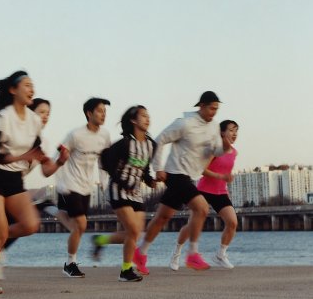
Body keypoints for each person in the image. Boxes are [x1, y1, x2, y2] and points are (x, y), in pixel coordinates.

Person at [0, 72, 68, 295]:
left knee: (30, 225)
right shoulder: (2, 117)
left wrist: (58, 160)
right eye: (26, 85)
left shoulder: (33, 122)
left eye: (33, 85)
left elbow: (40, 158)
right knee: (1, 232)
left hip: (14, 180)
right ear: (13, 90)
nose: (32, 89)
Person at [135, 91, 231, 273]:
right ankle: (192, 254)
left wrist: (224, 147)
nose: (214, 113)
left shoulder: (214, 127)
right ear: (201, 106)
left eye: (217, 109)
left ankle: (141, 252)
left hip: (189, 176)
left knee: (162, 217)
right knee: (201, 208)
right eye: (211, 108)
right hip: (175, 173)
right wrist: (158, 167)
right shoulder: (185, 123)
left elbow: (216, 151)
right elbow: (159, 140)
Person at [94, 105, 157, 282]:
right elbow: (106, 161)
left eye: (148, 115)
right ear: (133, 120)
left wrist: (149, 180)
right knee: (133, 230)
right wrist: (122, 182)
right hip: (118, 191)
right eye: (143, 116)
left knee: (135, 233)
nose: (147, 119)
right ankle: (126, 270)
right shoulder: (124, 144)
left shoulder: (151, 145)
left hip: (136, 193)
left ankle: (101, 240)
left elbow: (144, 169)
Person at [169, 120, 239, 270]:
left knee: (232, 222)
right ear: (222, 132)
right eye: (231, 130)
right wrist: (221, 176)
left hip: (221, 192)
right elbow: (202, 169)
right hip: (204, 191)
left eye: (236, 131)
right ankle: (176, 252)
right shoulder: (214, 150)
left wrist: (226, 177)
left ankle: (220, 255)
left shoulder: (234, 153)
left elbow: (224, 170)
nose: (234, 134)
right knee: (191, 226)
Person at [56, 97, 111, 278]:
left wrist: (104, 183)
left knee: (78, 227)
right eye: (100, 111)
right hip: (70, 183)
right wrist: (60, 182)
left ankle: (51, 209)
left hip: (86, 186)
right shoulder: (75, 135)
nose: (103, 114)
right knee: (81, 224)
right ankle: (70, 263)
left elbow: (104, 162)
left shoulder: (105, 136)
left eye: (105, 111)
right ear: (89, 113)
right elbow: (59, 156)